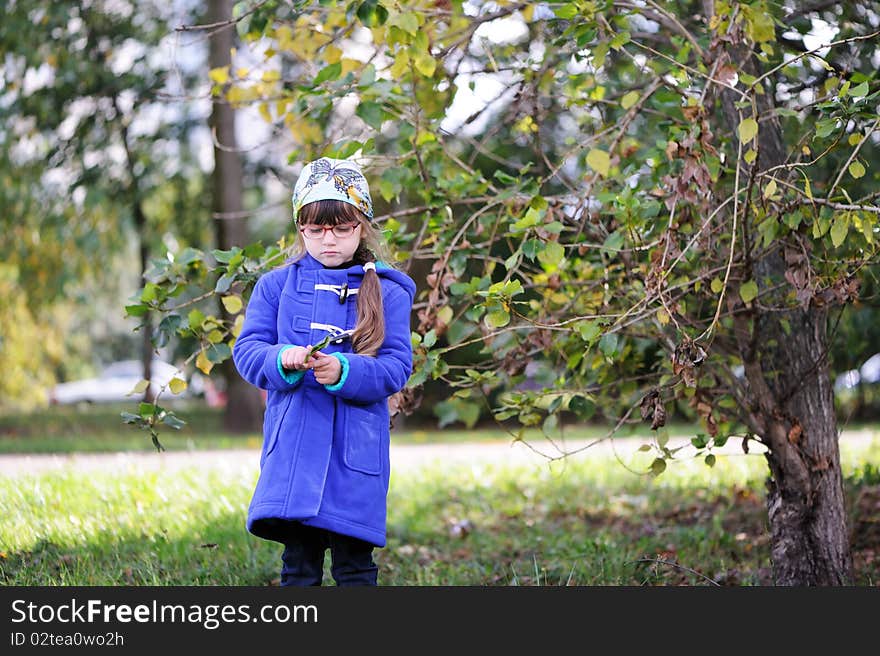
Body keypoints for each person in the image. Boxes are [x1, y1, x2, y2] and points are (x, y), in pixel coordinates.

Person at [232, 157, 416, 586]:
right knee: (299, 566)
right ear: (301, 229)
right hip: (295, 449)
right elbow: (248, 351)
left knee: (354, 567)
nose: (327, 239)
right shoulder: (276, 286)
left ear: (362, 225)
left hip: (356, 454)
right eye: (315, 229)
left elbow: (395, 366)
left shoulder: (388, 291)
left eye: (341, 227)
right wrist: (282, 359)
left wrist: (343, 371)